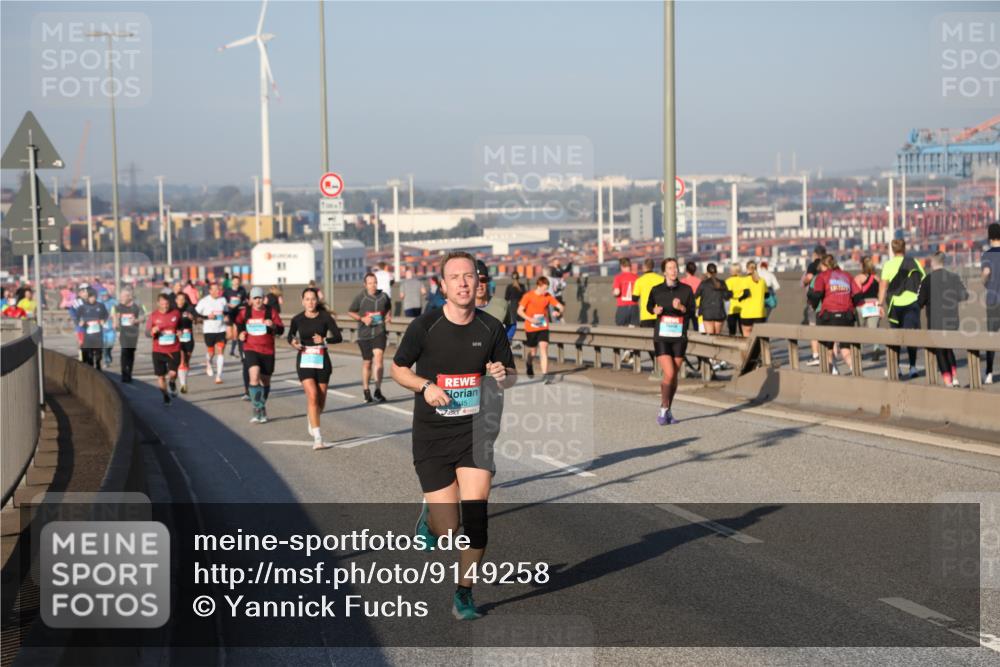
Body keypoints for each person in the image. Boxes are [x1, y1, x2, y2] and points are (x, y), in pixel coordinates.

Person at [390, 251, 516, 621]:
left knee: (476, 520)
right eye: (455, 277)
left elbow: (511, 375)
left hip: (475, 434)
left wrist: (501, 374)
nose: (463, 282)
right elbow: (398, 370)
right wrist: (425, 386)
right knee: (448, 528)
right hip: (431, 436)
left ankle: (464, 593)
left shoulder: (490, 329)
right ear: (442, 286)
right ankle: (432, 517)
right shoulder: (425, 327)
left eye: (469, 276)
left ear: (480, 283)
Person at [287, 287, 343, 449]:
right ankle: (318, 438)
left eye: (313, 299)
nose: (310, 302)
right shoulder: (297, 319)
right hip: (305, 360)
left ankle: (312, 417)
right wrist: (293, 343)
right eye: (307, 299)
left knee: (320, 400)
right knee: (312, 395)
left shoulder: (325, 317)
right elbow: (290, 335)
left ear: (317, 301)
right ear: (302, 301)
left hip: (322, 360)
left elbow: (338, 337)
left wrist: (324, 340)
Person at [646, 258, 696, 425]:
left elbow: (692, 311)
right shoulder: (656, 290)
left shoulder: (686, 290)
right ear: (664, 272)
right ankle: (663, 410)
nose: (673, 270)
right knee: (669, 372)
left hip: (679, 337)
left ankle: (667, 410)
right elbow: (648, 306)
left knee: (674, 376)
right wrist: (655, 310)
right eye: (670, 268)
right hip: (662, 337)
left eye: (675, 267)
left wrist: (682, 308)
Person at [235, 286, 285, 423]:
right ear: (251, 299)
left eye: (260, 298)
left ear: (264, 299)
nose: (257, 301)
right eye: (255, 298)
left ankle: (261, 406)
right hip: (251, 348)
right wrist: (240, 333)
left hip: (268, 350)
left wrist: (273, 326)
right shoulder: (245, 312)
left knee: (265, 381)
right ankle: (257, 408)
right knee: (254, 376)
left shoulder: (271, 311)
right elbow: (239, 323)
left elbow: (281, 330)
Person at [918, 252, 969, 387]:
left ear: (932, 263)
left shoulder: (927, 280)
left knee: (940, 350)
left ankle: (948, 382)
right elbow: (964, 295)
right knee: (948, 348)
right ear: (944, 262)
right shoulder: (953, 277)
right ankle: (955, 378)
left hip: (935, 321)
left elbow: (920, 302)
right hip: (952, 319)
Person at [878, 239, 925, 379]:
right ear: (905, 249)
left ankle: (896, 367)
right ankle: (912, 367)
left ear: (892, 250)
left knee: (896, 337)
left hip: (895, 305)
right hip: (912, 302)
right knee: (911, 336)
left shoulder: (888, 265)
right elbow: (923, 280)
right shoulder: (914, 262)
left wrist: (880, 305)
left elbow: (883, 286)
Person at [808, 254, 862, 375]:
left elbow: (816, 295)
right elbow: (858, 296)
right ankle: (855, 370)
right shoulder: (847, 276)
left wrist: (814, 305)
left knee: (828, 348)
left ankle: (833, 371)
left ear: (825, 265)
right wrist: (850, 305)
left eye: (821, 266)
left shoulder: (822, 276)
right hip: (846, 316)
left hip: (828, 316)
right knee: (845, 348)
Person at [349, 273, 392, 403]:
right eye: (370, 283)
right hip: (364, 334)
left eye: (375, 282)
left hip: (379, 332)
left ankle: (378, 390)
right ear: (365, 285)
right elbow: (351, 311)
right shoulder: (361, 297)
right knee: (367, 362)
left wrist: (388, 316)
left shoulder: (383, 296)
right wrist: (362, 318)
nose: (373, 285)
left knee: (379, 358)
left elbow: (388, 308)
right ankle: (366, 390)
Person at [517, 276, 564, 383]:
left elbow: (560, 306)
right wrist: (530, 319)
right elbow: (519, 311)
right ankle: (529, 364)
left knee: (544, 348)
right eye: (544, 288)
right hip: (531, 327)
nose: (545, 291)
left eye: (547, 289)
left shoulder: (548, 296)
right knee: (533, 352)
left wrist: (559, 312)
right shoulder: (528, 296)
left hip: (543, 327)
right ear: (539, 285)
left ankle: (545, 375)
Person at [632, 258, 666, 372]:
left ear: (644, 267)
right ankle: (662, 364)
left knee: (650, 343)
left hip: (646, 316)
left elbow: (634, 298)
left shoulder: (639, 281)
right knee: (661, 341)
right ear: (653, 266)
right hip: (660, 315)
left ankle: (656, 364)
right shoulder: (661, 279)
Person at [147, 293, 181, 403]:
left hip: (173, 349)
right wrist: (152, 331)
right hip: (158, 350)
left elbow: (180, 326)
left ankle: (172, 382)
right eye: (162, 304)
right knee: (161, 377)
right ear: (158, 304)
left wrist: (179, 331)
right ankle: (165, 396)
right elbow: (147, 333)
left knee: (173, 373)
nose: (165, 306)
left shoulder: (176, 313)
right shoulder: (153, 316)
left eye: (167, 304)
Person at [195, 282, 229, 384]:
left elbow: (226, 312)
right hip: (209, 330)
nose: (217, 291)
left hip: (221, 329)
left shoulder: (223, 300)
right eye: (214, 289)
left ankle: (218, 376)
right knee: (211, 352)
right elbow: (196, 315)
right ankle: (208, 362)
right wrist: (206, 317)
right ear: (210, 291)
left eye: (218, 289)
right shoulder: (204, 301)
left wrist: (226, 317)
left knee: (221, 350)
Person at [114, 288, 145, 384]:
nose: (121, 298)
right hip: (123, 333)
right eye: (121, 296)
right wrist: (116, 324)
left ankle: (129, 372)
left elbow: (143, 317)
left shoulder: (137, 306)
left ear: (129, 297)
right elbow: (115, 317)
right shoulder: (118, 306)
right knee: (124, 351)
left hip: (133, 333)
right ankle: (124, 374)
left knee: (131, 353)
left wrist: (136, 320)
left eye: (123, 296)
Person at [801, 245, 826, 366]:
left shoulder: (813, 264)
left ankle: (816, 355)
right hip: (828, 299)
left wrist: (805, 282)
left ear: (815, 254)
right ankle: (830, 353)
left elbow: (809, 277)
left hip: (815, 300)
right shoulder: (829, 264)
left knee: (813, 327)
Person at [982, 222, 1000, 384]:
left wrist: (985, 282)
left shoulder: (987, 255)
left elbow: (986, 273)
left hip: (993, 301)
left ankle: (989, 372)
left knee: (991, 337)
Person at [854, 257, 882, 361]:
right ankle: (876, 348)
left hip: (862, 305)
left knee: (860, 330)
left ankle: (860, 352)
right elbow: (881, 293)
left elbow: (856, 293)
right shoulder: (877, 278)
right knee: (874, 329)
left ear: (862, 266)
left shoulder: (859, 278)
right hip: (874, 304)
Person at [734, 260, 767, 339]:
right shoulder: (762, 281)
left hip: (747, 313)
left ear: (747, 269)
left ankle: (749, 351)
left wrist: (740, 299)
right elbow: (766, 295)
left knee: (747, 335)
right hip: (760, 313)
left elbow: (746, 293)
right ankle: (759, 350)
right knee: (759, 336)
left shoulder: (744, 280)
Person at [695, 263, 729, 336]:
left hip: (707, 313)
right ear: (716, 272)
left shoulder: (703, 284)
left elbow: (695, 296)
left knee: (710, 337)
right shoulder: (722, 283)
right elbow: (727, 297)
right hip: (719, 312)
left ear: (707, 272)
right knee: (718, 336)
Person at [78, 288, 108, 370]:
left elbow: (105, 315)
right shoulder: (82, 307)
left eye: (94, 297)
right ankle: (91, 367)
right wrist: (80, 322)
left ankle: (98, 363)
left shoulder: (101, 306)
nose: (93, 299)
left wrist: (103, 320)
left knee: (98, 351)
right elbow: (77, 318)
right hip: (87, 334)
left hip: (98, 333)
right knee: (89, 352)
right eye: (91, 297)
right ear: (88, 297)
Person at [175, 292, 197, 393]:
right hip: (177, 338)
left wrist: (193, 318)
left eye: (183, 299)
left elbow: (197, 318)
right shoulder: (173, 310)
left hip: (188, 338)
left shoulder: (190, 308)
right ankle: (183, 385)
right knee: (182, 360)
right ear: (176, 300)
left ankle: (184, 380)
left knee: (186, 362)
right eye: (179, 299)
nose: (181, 301)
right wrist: (176, 331)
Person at [224, 276, 248, 357]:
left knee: (235, 333)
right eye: (235, 281)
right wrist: (228, 305)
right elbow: (222, 301)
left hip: (238, 313)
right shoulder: (227, 291)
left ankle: (232, 351)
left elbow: (245, 300)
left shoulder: (242, 290)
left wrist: (241, 305)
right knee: (229, 335)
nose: (237, 283)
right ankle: (221, 343)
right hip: (229, 313)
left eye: (238, 281)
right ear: (232, 282)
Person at [613, 258, 639, 328]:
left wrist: (614, 293)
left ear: (621, 266)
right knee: (633, 330)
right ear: (630, 266)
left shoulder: (618, 277)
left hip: (623, 307)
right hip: (634, 307)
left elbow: (617, 292)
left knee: (621, 329)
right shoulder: (636, 277)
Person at [503, 271, 526, 341]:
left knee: (513, 323)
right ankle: (520, 339)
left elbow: (506, 298)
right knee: (521, 322)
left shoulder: (509, 286)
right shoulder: (522, 286)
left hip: (512, 306)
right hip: (520, 305)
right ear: (519, 278)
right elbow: (525, 297)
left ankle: (514, 339)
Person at [725, 263, 746, 336]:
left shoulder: (728, 281)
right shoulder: (744, 280)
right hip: (743, 306)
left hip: (732, 307)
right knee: (743, 330)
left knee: (732, 330)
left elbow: (727, 295)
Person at [99, 289, 117, 366]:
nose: (104, 297)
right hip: (102, 327)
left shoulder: (113, 302)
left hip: (111, 326)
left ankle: (109, 354)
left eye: (106, 295)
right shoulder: (99, 303)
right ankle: (107, 360)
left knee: (110, 344)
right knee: (104, 345)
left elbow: (117, 312)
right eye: (103, 296)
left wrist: (115, 321)